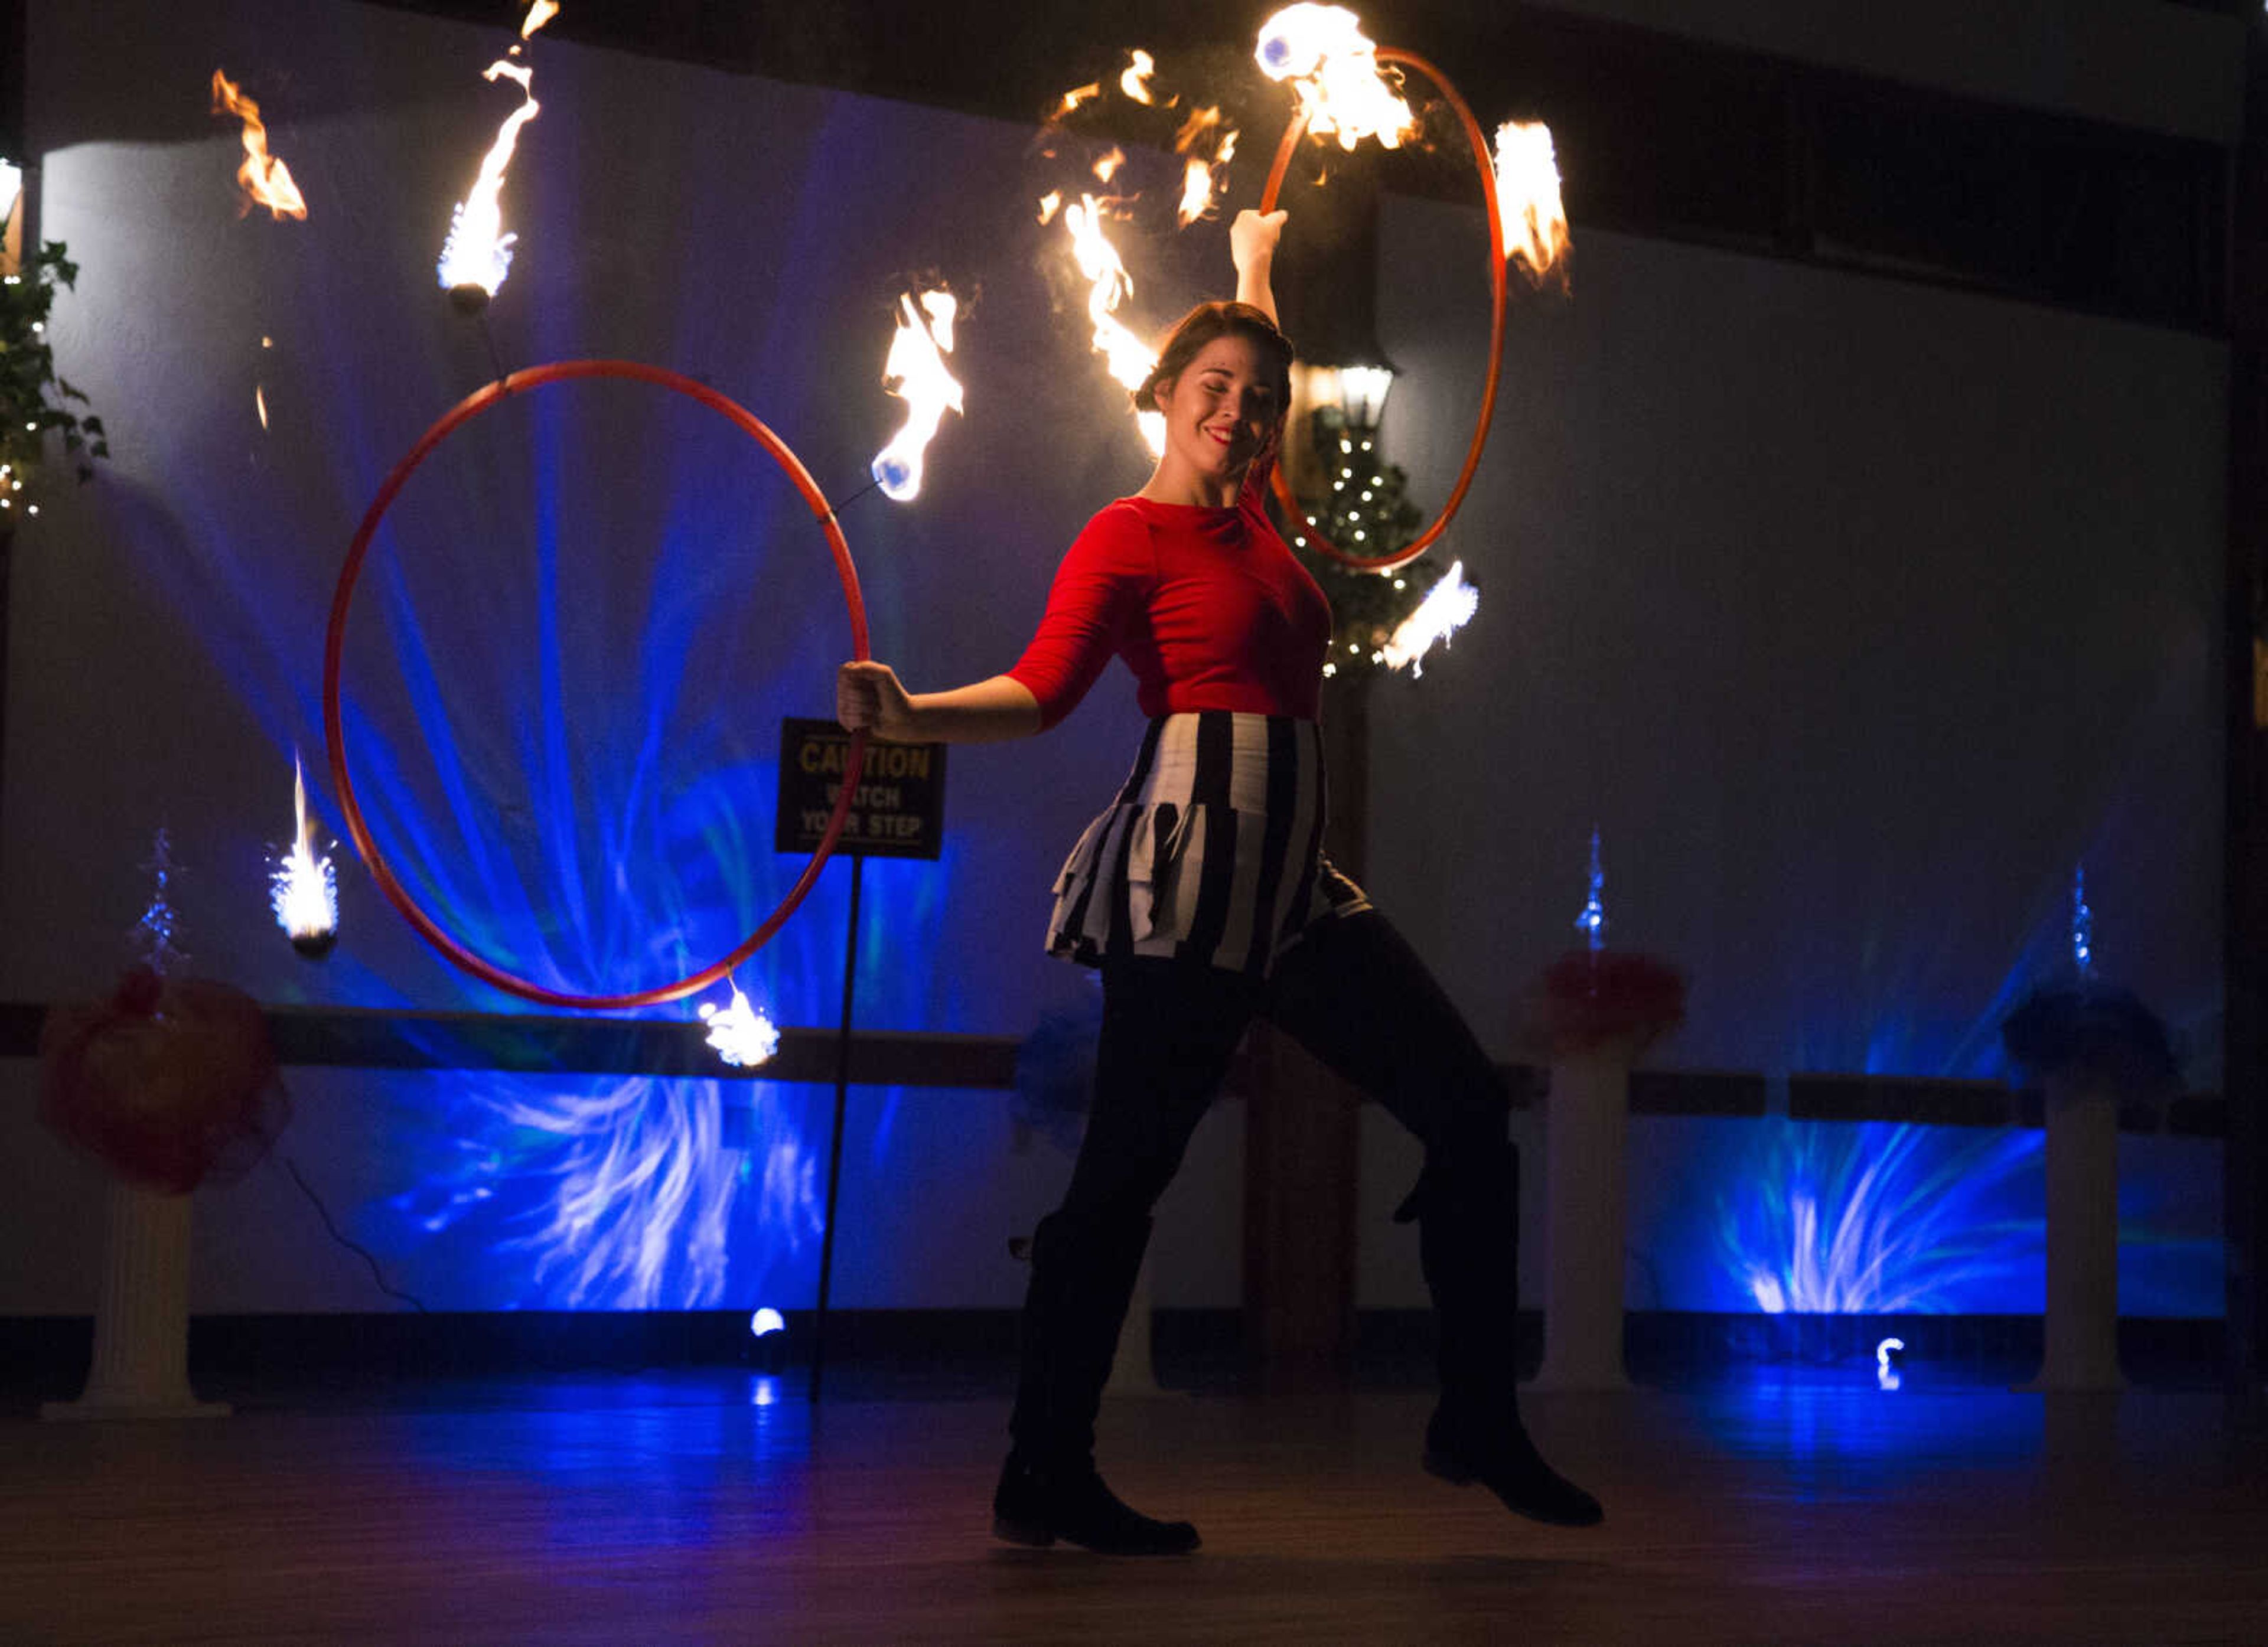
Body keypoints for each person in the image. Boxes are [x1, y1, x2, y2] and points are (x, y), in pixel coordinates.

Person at [837, 208, 1601, 1555]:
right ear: (1165, 399)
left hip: (1298, 886)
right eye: (1215, 392)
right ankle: (1043, 1470)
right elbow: (1043, 691)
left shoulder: (1263, 527)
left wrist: (1253, 274)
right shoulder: (1127, 536)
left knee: (1469, 1112)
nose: (1243, 415)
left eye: (1260, 401)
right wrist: (911, 717)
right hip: (1194, 879)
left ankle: (1472, 1418)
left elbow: (1257, 360)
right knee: (1125, 1178)